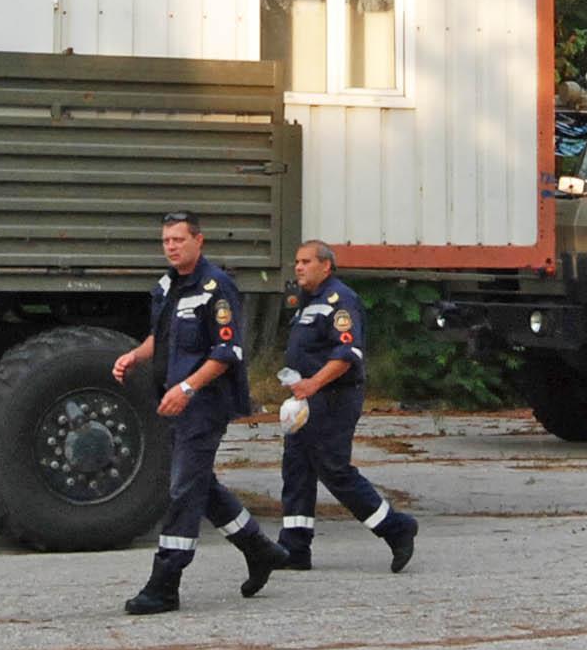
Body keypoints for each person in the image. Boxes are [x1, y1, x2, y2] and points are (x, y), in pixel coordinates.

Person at [111, 212, 288, 615]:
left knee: (183, 491)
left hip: (204, 405)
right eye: (166, 241)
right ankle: (260, 550)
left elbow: (226, 353)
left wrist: (188, 387)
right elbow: (164, 337)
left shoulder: (216, 287)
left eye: (178, 239)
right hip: (174, 402)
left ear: (198, 241)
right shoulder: (167, 286)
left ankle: (164, 585)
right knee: (201, 486)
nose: (171, 246)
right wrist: (133, 356)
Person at [274, 240, 418, 573]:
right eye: (296, 261)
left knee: (333, 468)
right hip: (306, 399)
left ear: (326, 265)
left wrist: (313, 383)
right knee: (296, 466)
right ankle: (294, 546)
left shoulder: (340, 300)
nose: (298, 267)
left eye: (306, 261)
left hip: (334, 396)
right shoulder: (307, 302)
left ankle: (396, 528)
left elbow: (347, 355)